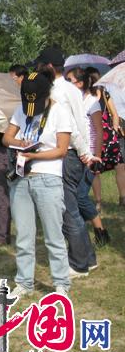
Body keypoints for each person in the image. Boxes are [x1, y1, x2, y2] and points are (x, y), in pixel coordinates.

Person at [3, 69, 71, 298]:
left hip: (48, 179)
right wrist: (20, 142)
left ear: (48, 93)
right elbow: (6, 138)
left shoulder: (60, 112)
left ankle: (61, 283)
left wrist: (34, 155)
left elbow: (61, 150)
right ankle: (24, 282)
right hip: (22, 180)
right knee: (23, 235)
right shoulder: (22, 110)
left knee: (54, 235)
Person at [33, 48, 98, 279]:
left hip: (68, 153)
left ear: (49, 67)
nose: (37, 69)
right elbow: (81, 121)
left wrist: (83, 152)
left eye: (39, 65)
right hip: (75, 153)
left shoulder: (56, 91)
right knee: (73, 211)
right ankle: (88, 259)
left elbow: (69, 125)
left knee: (68, 211)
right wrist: (86, 152)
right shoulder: (71, 88)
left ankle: (78, 264)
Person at [66, 68, 110, 246]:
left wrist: (96, 157)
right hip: (75, 155)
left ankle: (100, 230)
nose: (68, 84)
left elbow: (99, 132)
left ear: (81, 83)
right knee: (74, 198)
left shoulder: (92, 102)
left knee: (81, 196)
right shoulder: (72, 102)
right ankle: (79, 233)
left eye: (71, 81)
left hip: (91, 156)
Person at [86, 67, 125, 211]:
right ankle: (99, 201)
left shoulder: (103, 93)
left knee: (120, 166)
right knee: (96, 169)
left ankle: (122, 197)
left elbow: (114, 113)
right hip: (93, 137)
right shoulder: (81, 97)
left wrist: (114, 130)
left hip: (109, 136)